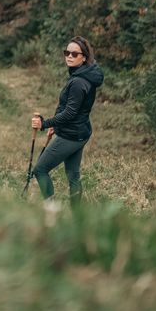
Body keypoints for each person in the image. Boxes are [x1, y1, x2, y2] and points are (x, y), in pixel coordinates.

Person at [30, 36, 104, 205]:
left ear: (84, 57)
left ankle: (51, 210)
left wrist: (45, 124)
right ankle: (77, 215)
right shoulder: (84, 75)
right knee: (73, 176)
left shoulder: (78, 82)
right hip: (80, 132)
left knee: (40, 170)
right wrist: (56, 126)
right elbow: (72, 109)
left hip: (71, 135)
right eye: (67, 53)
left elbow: (70, 113)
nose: (69, 56)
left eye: (74, 54)